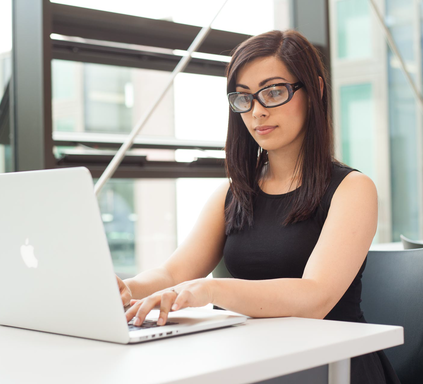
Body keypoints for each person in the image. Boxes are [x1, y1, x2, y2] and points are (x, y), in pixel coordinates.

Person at [117, 30, 400, 383]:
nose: (258, 112)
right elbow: (175, 274)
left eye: (274, 92)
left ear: (315, 91)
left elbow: (315, 297)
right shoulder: (233, 193)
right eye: (244, 98)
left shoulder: (352, 189)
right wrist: (128, 288)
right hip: (257, 361)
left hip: (332, 367)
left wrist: (212, 290)